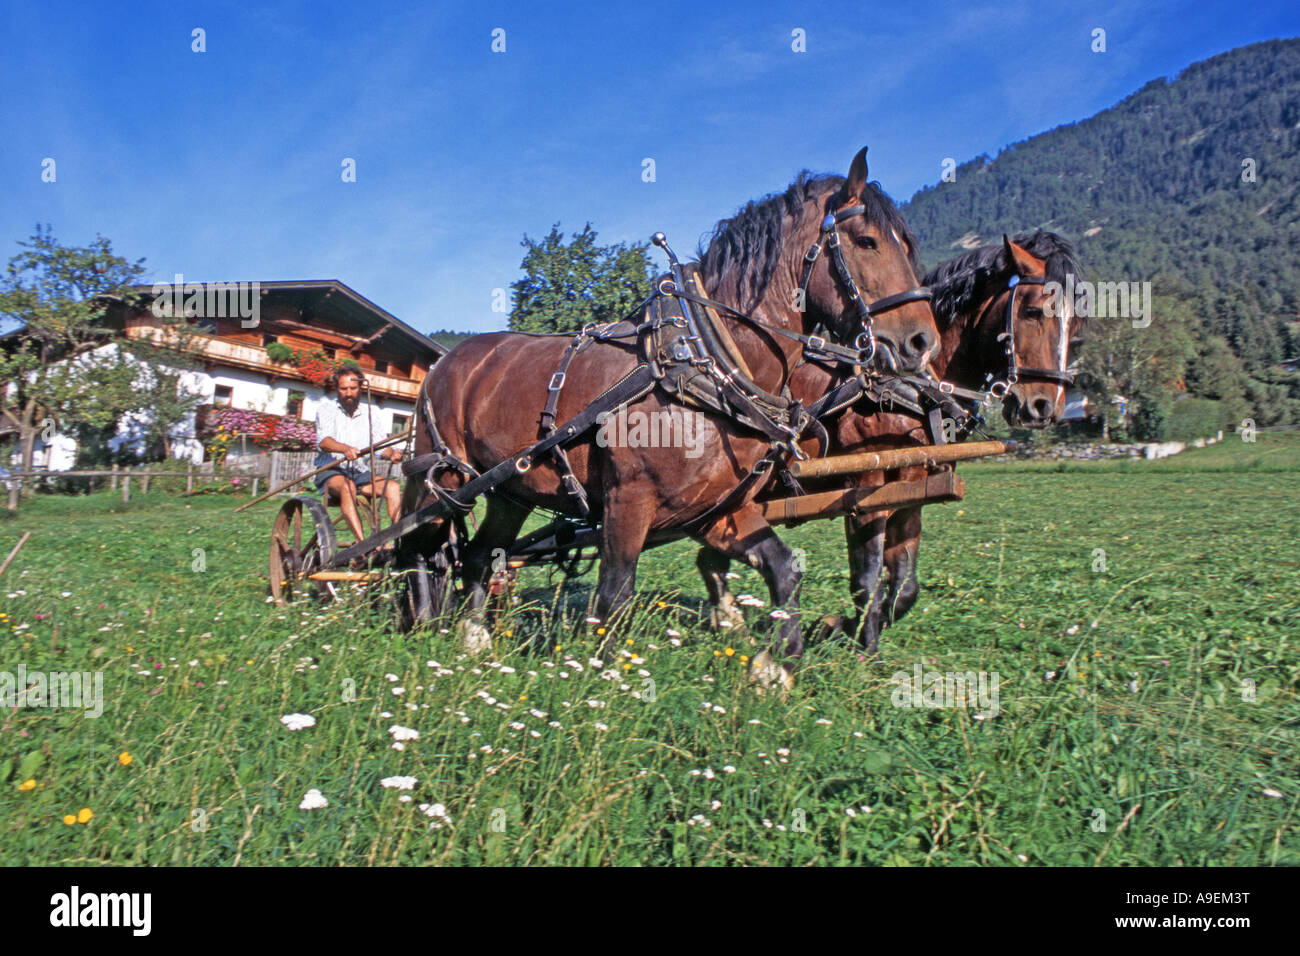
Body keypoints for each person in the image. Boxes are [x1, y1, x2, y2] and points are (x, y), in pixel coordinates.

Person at [313, 367, 403, 545]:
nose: (348, 393)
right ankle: (362, 545)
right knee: (348, 487)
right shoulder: (326, 409)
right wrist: (344, 449)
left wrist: (392, 454)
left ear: (360, 388)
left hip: (360, 473)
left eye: (353, 389)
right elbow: (324, 441)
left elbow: (379, 447)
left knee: (392, 487)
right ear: (336, 389)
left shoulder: (371, 413)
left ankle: (399, 542)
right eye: (343, 389)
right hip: (331, 470)